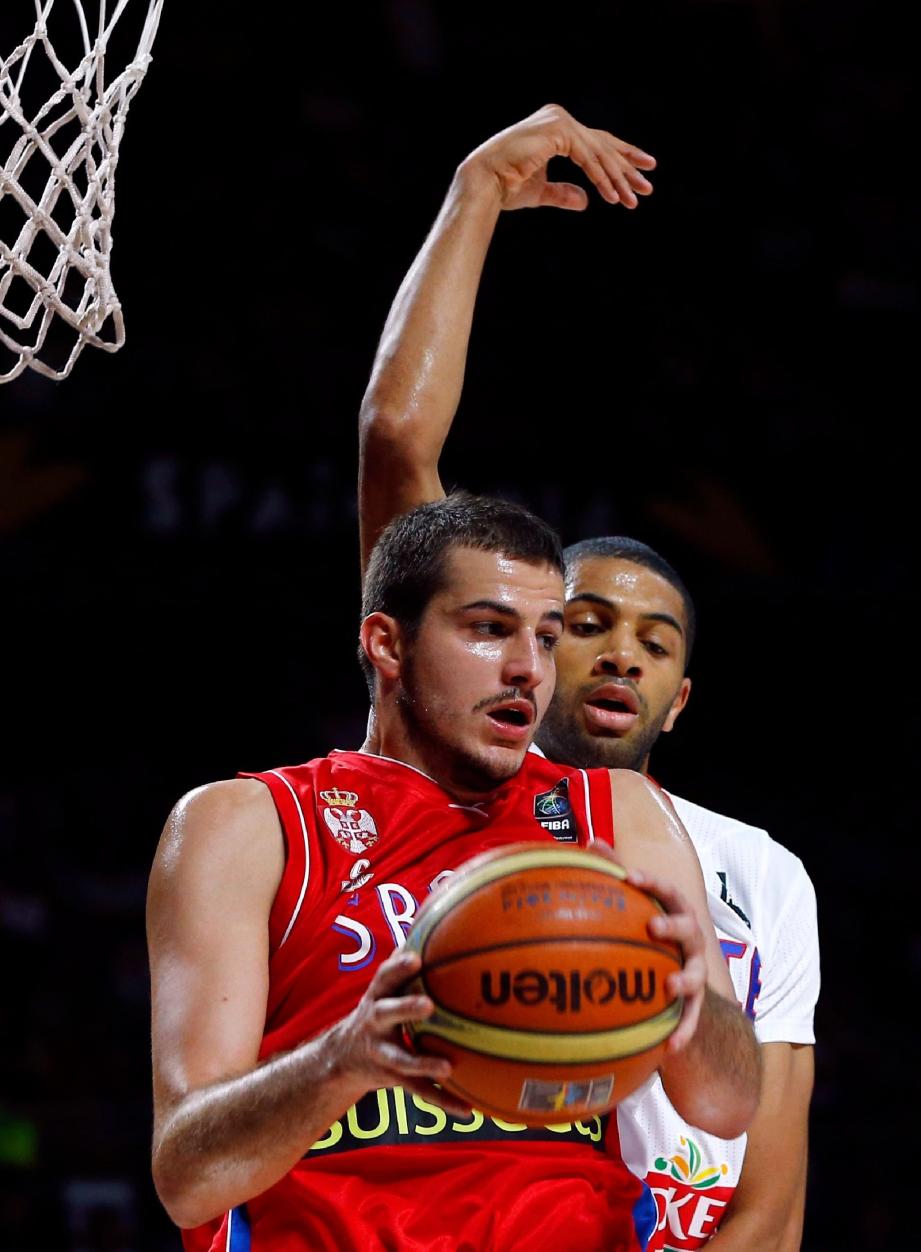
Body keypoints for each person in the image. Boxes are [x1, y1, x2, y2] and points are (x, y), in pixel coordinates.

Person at [358, 104, 819, 1249]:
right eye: (588, 624)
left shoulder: (759, 870)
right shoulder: (456, 790)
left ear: (682, 697)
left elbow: (772, 1207)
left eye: (657, 643)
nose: (621, 651)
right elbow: (397, 448)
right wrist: (472, 196)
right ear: (521, 639)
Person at [147, 492, 760, 1250]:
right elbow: (186, 1179)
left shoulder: (617, 811)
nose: (526, 669)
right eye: (488, 630)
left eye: (545, 637)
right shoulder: (248, 822)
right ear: (386, 644)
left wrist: (694, 989)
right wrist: (343, 1059)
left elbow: (725, 1105)